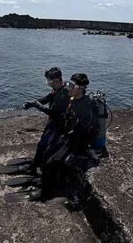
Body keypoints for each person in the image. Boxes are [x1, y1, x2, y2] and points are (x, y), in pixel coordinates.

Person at [41, 73, 100, 209]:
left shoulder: (86, 106)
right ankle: (53, 186)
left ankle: (75, 196)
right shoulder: (73, 100)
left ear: (81, 88)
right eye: (69, 84)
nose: (68, 87)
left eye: (72, 85)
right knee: (47, 155)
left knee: (60, 162)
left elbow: (90, 130)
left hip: (78, 142)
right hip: (69, 137)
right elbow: (65, 119)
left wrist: (76, 148)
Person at [22, 67, 70, 172]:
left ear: (57, 80)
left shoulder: (65, 94)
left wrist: (38, 106)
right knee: (45, 144)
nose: (48, 83)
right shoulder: (57, 90)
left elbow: (55, 113)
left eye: (49, 80)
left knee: (43, 144)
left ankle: (35, 167)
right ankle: (39, 161)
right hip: (53, 122)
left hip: (59, 125)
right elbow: (47, 99)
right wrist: (31, 103)